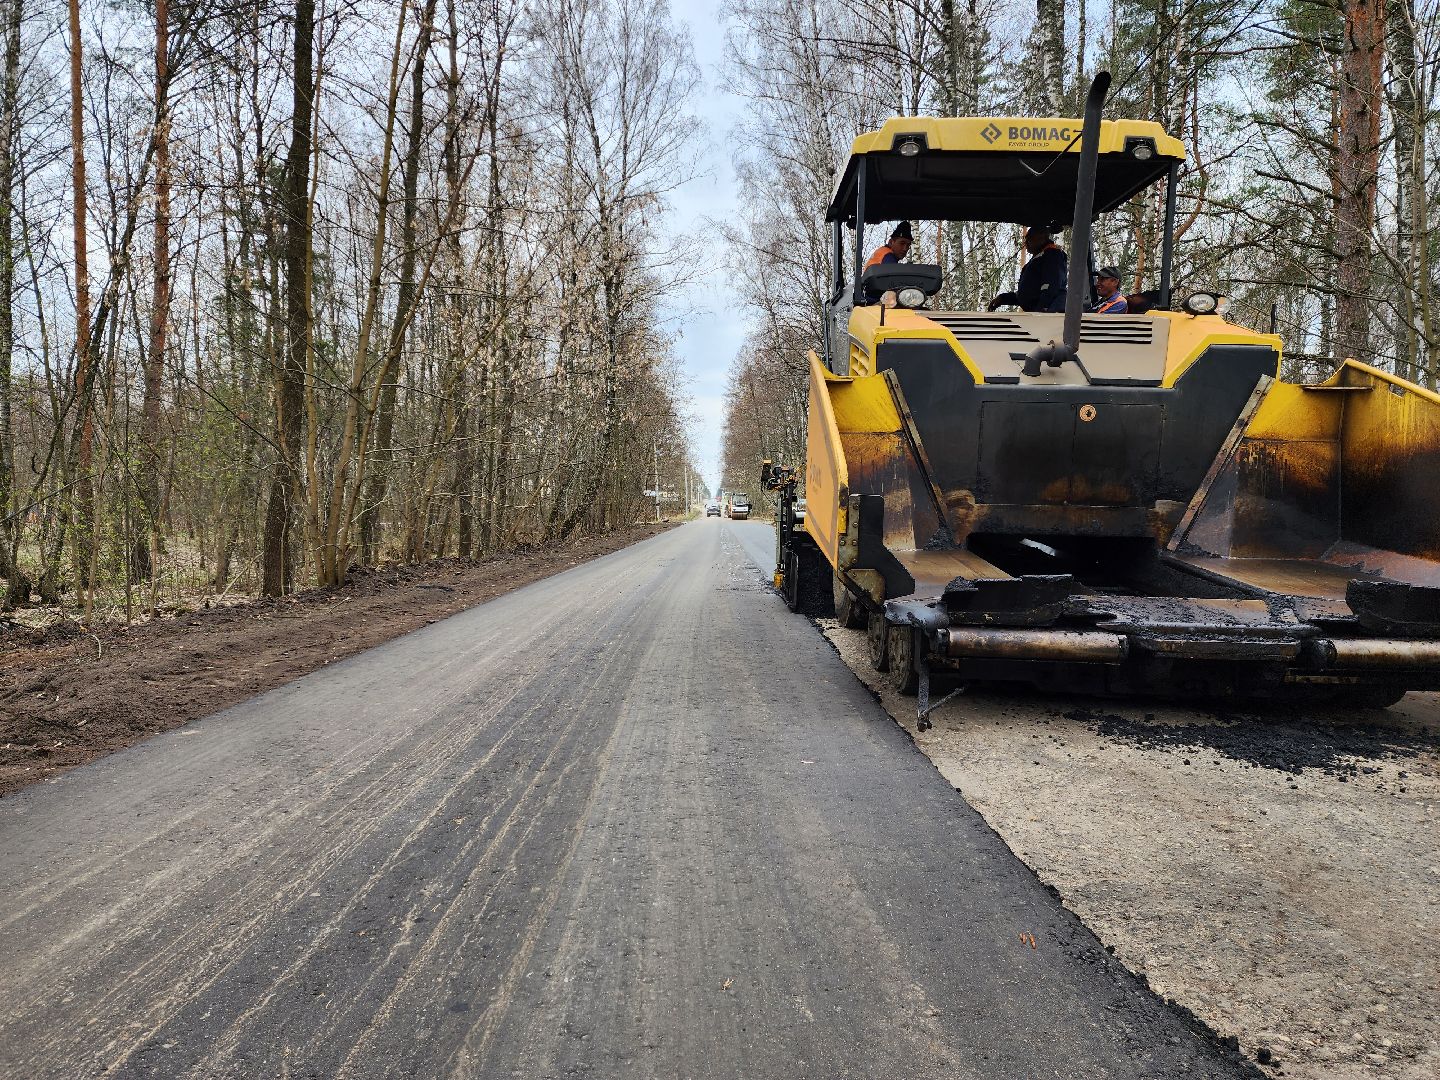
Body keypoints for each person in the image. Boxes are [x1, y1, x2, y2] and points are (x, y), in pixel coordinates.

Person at [988, 226, 1067, 312]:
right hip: (1036, 315)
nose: (1026, 243)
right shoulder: (1038, 258)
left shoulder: (1052, 255)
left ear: (1042, 237)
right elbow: (1028, 295)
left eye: (1029, 238)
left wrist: (1041, 311)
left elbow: (1051, 288)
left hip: (1046, 315)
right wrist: (1003, 298)